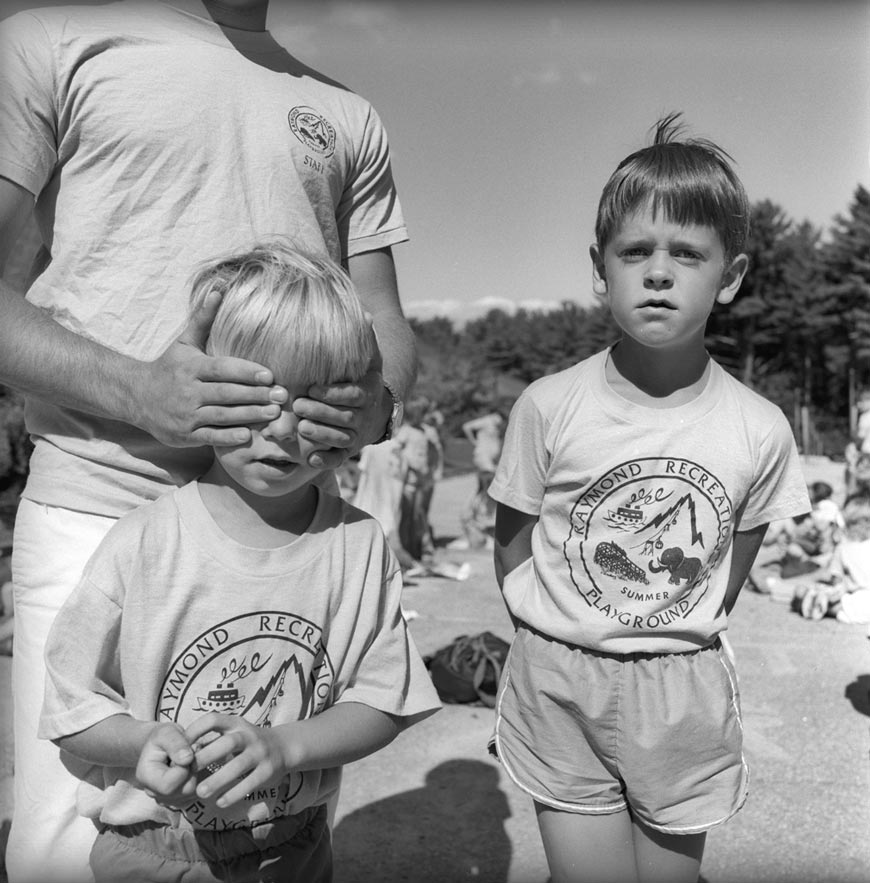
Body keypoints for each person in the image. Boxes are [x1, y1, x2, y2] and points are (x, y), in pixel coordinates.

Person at [0, 2, 414, 880]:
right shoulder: (45, 41)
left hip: (294, 537)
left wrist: (374, 409)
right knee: (73, 846)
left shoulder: (346, 112)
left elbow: (386, 327)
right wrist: (138, 390)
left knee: (264, 827)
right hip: (96, 499)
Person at [37, 243, 440, 882]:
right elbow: (69, 709)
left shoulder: (359, 546)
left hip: (296, 847)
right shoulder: (142, 544)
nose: (281, 431)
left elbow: (387, 700)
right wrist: (141, 743)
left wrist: (286, 747)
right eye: (258, 395)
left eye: (313, 402)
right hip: (150, 850)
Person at [487, 113, 811, 883]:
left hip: (683, 690)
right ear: (600, 269)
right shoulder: (548, 404)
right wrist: (557, 634)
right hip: (559, 681)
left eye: (687, 254)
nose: (658, 272)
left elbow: (737, 553)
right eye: (635, 251)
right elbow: (514, 540)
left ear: (730, 277)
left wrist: (663, 624)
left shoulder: (759, 428)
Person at [793, 492, 870, 624]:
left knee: (834, 601)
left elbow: (836, 579)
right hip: (863, 600)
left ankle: (817, 602)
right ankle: (821, 602)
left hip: (854, 598)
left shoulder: (842, 548)